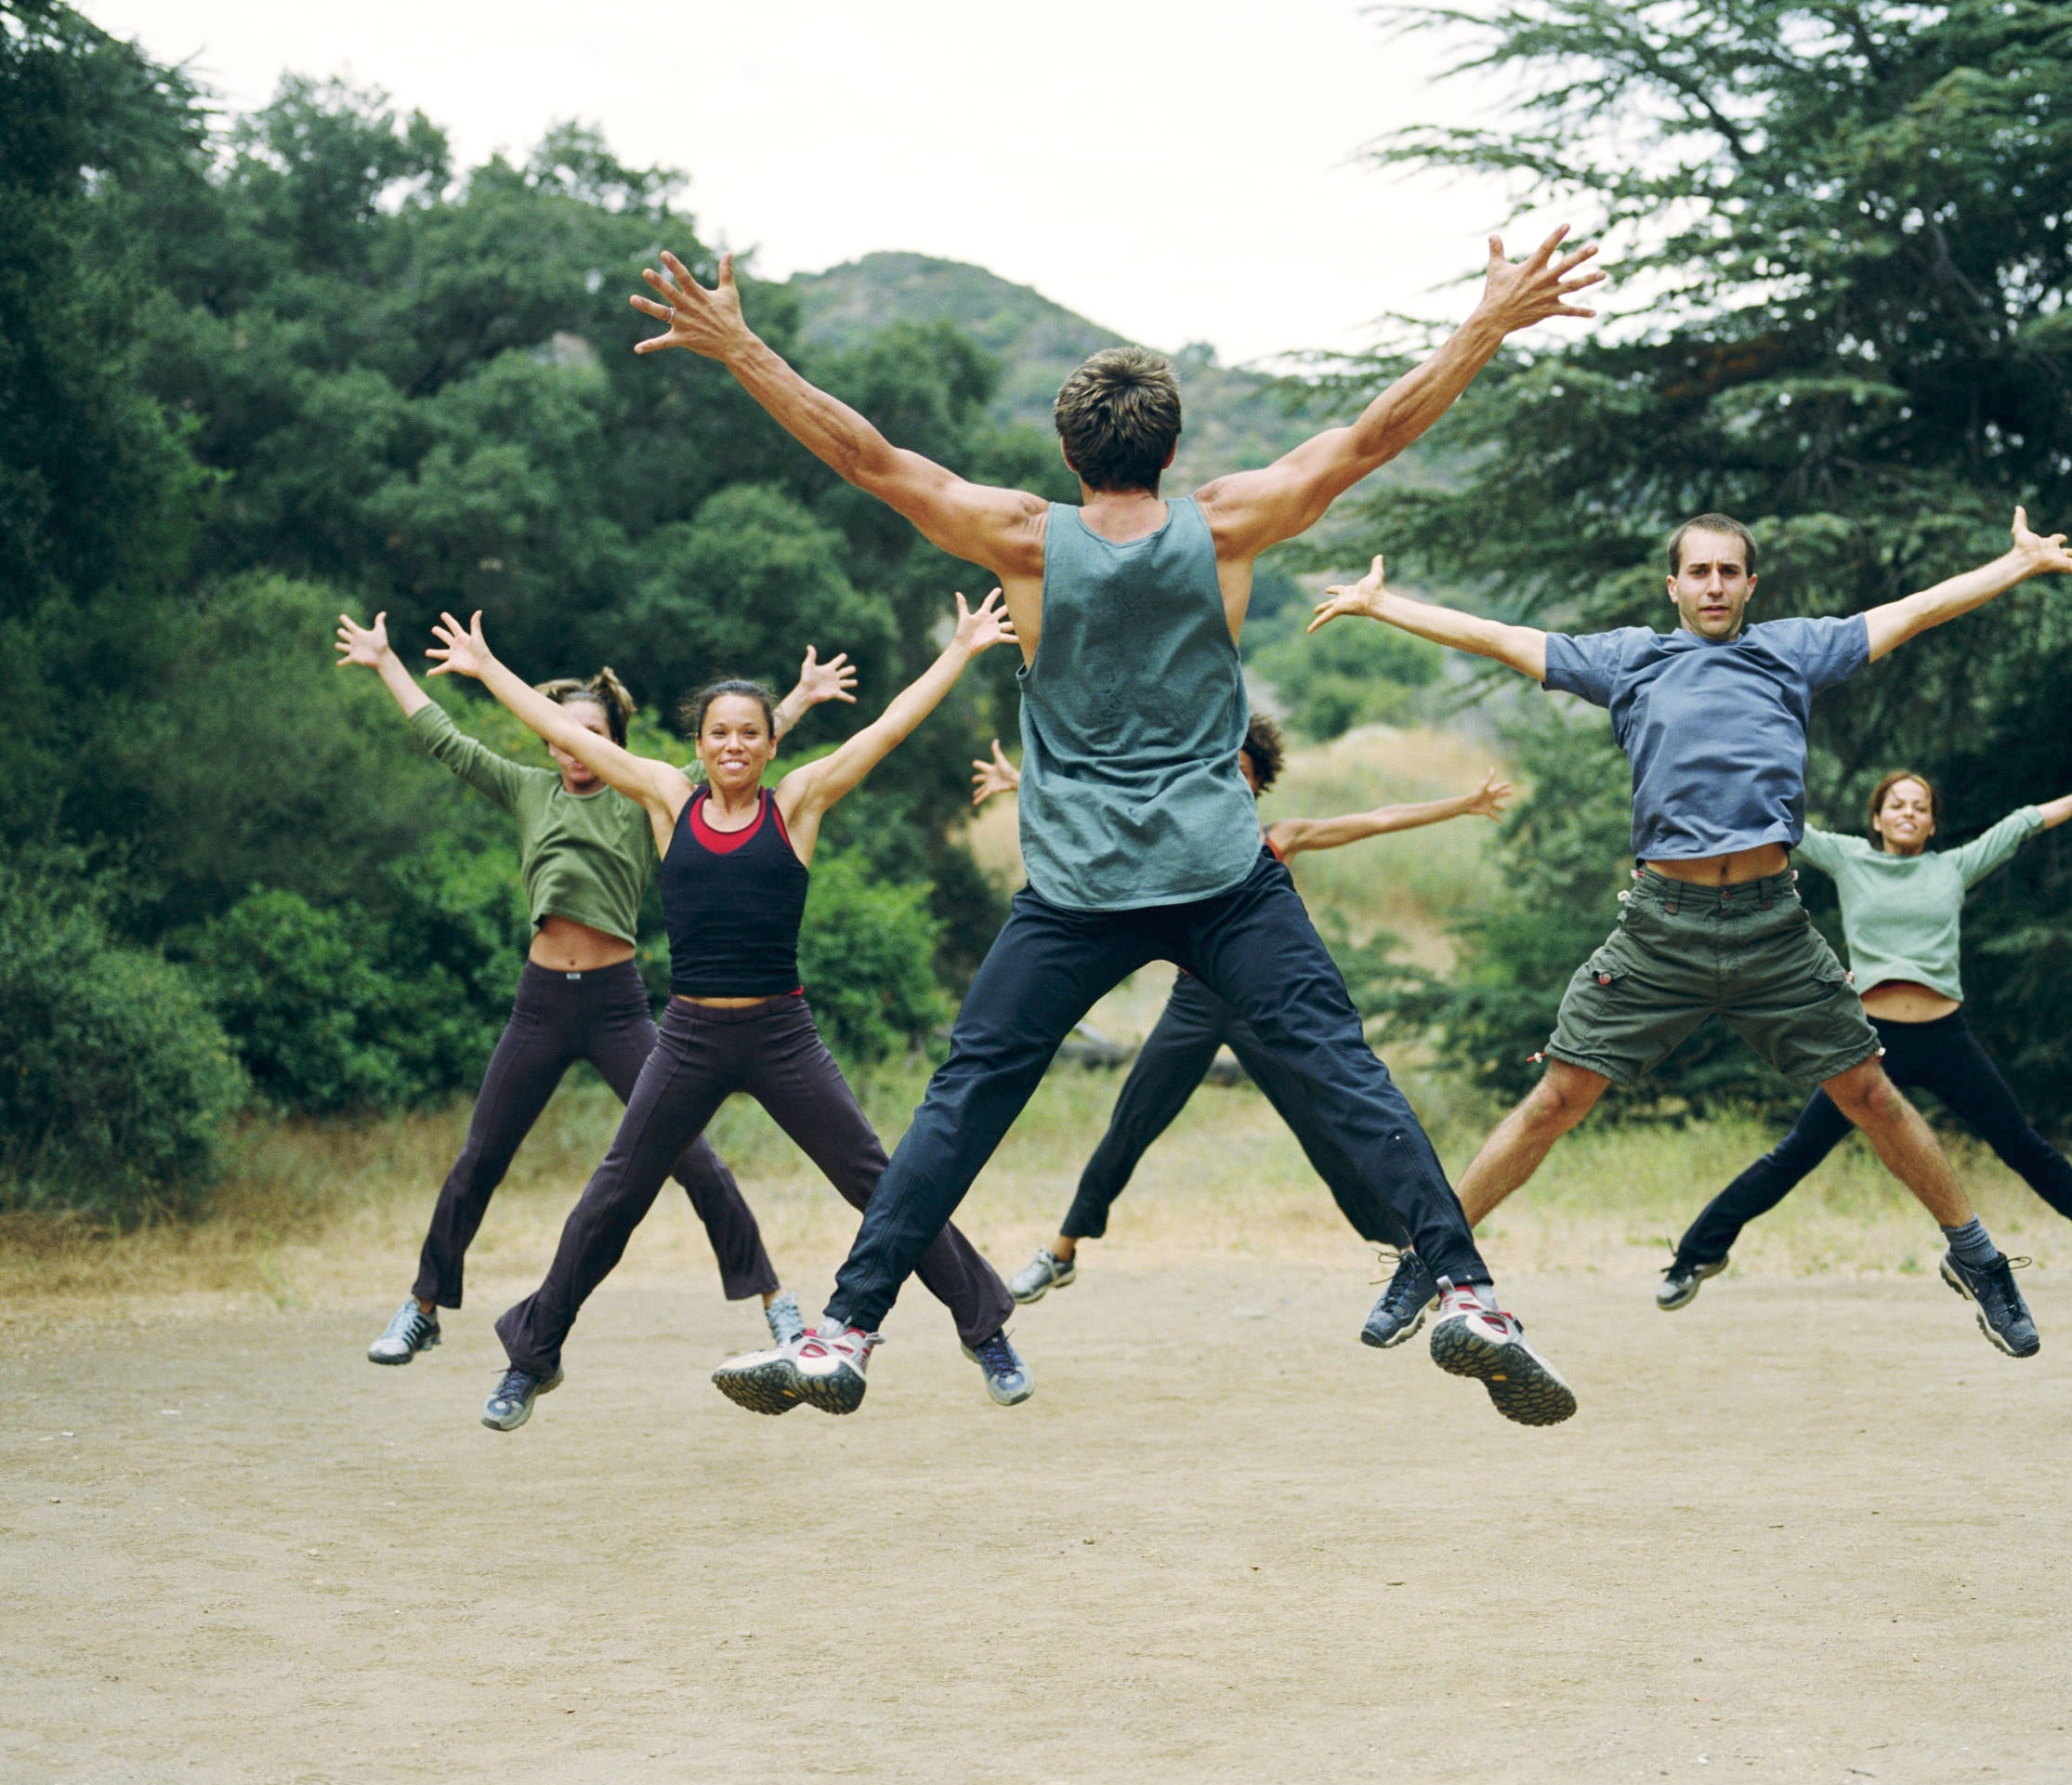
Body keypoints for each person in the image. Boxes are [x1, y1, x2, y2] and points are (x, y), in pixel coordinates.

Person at [630, 228, 1604, 1424]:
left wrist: (742, 349)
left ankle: (844, 1332)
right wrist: (1486, 326)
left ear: (1067, 449)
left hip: (1078, 888)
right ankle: (1466, 1295)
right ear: (1173, 446)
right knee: (1342, 1069)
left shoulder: (1024, 540)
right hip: (1220, 873)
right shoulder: (1230, 523)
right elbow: (1374, 436)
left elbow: (871, 461)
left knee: (964, 1098)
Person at [1306, 508, 2072, 1358]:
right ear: (1674, 585)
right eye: (1700, 572)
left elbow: (1911, 612)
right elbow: (1501, 637)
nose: (1715, 586)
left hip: (1773, 928)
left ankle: (1977, 1261)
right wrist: (1383, 605)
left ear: (1751, 586)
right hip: (1661, 929)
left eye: (1730, 572)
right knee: (1558, 1100)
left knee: (1870, 1094)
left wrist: (2013, 567)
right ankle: (1432, 1260)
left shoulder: (1791, 650)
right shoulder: (1630, 661)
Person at [418, 595, 1031, 1430]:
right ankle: (531, 1359)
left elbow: (886, 729)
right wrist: (488, 671)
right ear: (699, 745)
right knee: (614, 1196)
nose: (734, 744)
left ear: (772, 742)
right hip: (691, 1038)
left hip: (783, 1034)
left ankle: (985, 1330)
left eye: (749, 732)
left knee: (884, 1184)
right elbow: (573, 737)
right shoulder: (668, 799)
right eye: (719, 732)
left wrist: (960, 650)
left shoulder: (799, 802)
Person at [334, 613, 855, 1369]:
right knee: (481, 1155)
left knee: (695, 1159)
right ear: (552, 741)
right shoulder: (524, 790)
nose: (582, 747)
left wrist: (799, 700)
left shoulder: (647, 795)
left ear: (614, 743)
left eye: (597, 735)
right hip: (541, 1002)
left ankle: (774, 1302)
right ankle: (422, 1306)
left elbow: (733, 751)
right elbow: (442, 738)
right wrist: (387, 663)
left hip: (618, 1004)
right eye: (568, 733)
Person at [976, 721, 1516, 1348]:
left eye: (1240, 768)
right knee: (1131, 1122)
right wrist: (1022, 781)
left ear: (1258, 782)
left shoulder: (1276, 839)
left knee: (1329, 1133)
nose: (1227, 775)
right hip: (1194, 1003)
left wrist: (1463, 803)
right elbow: (1101, 803)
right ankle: (1062, 1251)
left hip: (1263, 1007)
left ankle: (1420, 1256)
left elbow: (1377, 818)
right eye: (1218, 766)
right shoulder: (1179, 834)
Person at [1659, 769, 2072, 1311]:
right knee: (1795, 1154)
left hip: (1946, 1040)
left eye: (1920, 807)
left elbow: (2020, 825)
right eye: (1896, 805)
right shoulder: (1849, 857)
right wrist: (1708, 779)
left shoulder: (1953, 866)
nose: (1908, 813)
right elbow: (1778, 824)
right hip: (1869, 1044)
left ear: (1931, 825)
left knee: (2026, 1149)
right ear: (1877, 819)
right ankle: (1694, 1257)